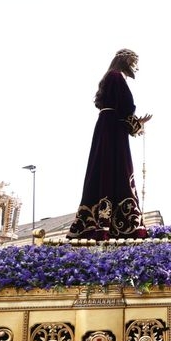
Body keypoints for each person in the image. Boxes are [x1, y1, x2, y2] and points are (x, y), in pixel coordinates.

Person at [67, 48, 151, 240]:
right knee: (117, 169)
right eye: (134, 62)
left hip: (109, 128)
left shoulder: (111, 77)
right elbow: (125, 108)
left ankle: (104, 222)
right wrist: (137, 123)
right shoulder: (116, 76)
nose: (136, 68)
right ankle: (110, 224)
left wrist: (136, 123)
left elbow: (121, 109)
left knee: (106, 170)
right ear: (125, 61)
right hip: (113, 130)